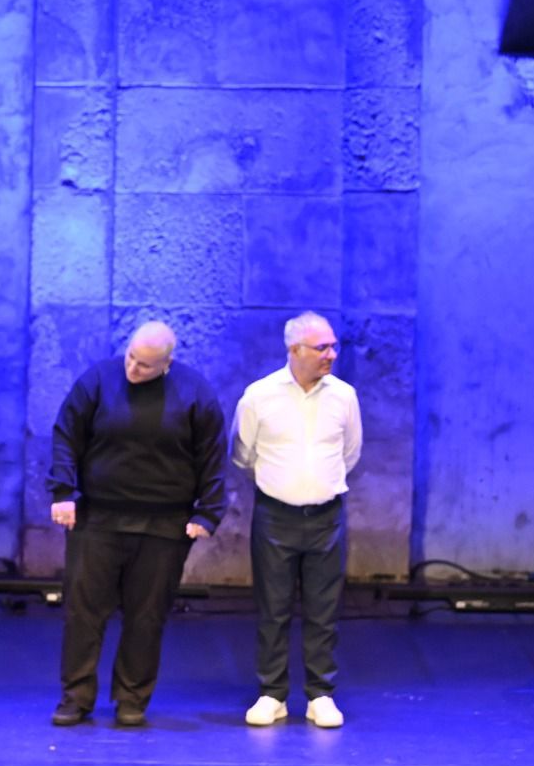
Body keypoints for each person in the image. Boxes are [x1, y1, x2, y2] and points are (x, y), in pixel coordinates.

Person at [47, 321, 226, 727]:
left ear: (167, 364)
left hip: (164, 524)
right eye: (130, 358)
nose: (133, 369)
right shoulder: (97, 380)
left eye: (145, 366)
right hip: (98, 518)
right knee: (83, 612)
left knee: (147, 616)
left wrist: (208, 512)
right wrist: (63, 492)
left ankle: (132, 698)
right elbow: (66, 435)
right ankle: (76, 696)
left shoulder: (195, 393)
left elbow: (213, 456)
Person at [233, 311, 362, 729]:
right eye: (321, 347)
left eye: (333, 346)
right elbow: (242, 453)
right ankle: (272, 694)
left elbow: (350, 452)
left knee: (324, 610)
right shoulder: (259, 396)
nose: (331, 354)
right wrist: (282, 483)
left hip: (327, 516)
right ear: (294, 350)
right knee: (273, 608)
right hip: (275, 515)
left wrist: (317, 484)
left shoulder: (344, 396)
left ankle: (320, 694)